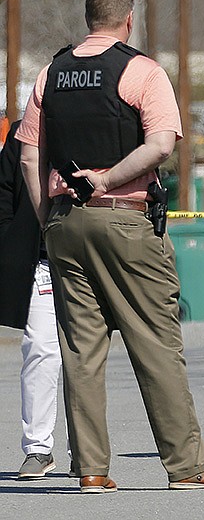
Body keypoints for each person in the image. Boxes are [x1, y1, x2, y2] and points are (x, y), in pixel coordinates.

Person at [17, 0, 204, 493]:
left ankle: (91, 470)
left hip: (63, 222)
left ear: (87, 18)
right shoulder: (140, 70)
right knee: (156, 342)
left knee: (80, 350)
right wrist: (107, 179)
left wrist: (48, 220)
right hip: (124, 218)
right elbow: (161, 144)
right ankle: (188, 466)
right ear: (129, 19)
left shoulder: (50, 74)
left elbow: (29, 156)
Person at [0, 122, 66, 480]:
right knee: (40, 348)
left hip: (89, 256)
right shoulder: (22, 134)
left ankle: (87, 452)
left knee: (84, 354)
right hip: (41, 262)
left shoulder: (103, 124)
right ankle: (38, 449)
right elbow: (3, 193)